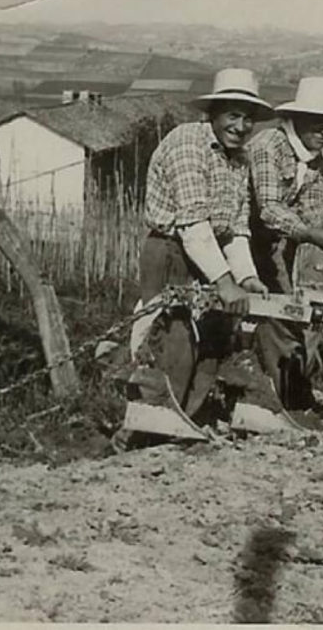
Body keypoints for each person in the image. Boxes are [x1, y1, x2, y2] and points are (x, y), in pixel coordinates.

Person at [127, 68, 275, 435]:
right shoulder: (187, 143)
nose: (241, 127)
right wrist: (225, 283)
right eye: (233, 115)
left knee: (214, 341)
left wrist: (246, 277)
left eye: (248, 119)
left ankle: (187, 424)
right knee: (173, 341)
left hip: (212, 255)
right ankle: (147, 429)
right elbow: (192, 226)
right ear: (213, 113)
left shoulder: (239, 159)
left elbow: (236, 227)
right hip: (172, 251)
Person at [246, 76, 323, 420]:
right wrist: (314, 234)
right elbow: (268, 209)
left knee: (286, 318)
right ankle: (282, 403)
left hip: (278, 246)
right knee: (274, 319)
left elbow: (317, 209)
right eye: (317, 122)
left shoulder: (312, 159)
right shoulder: (269, 145)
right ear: (296, 118)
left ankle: (292, 398)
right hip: (243, 242)